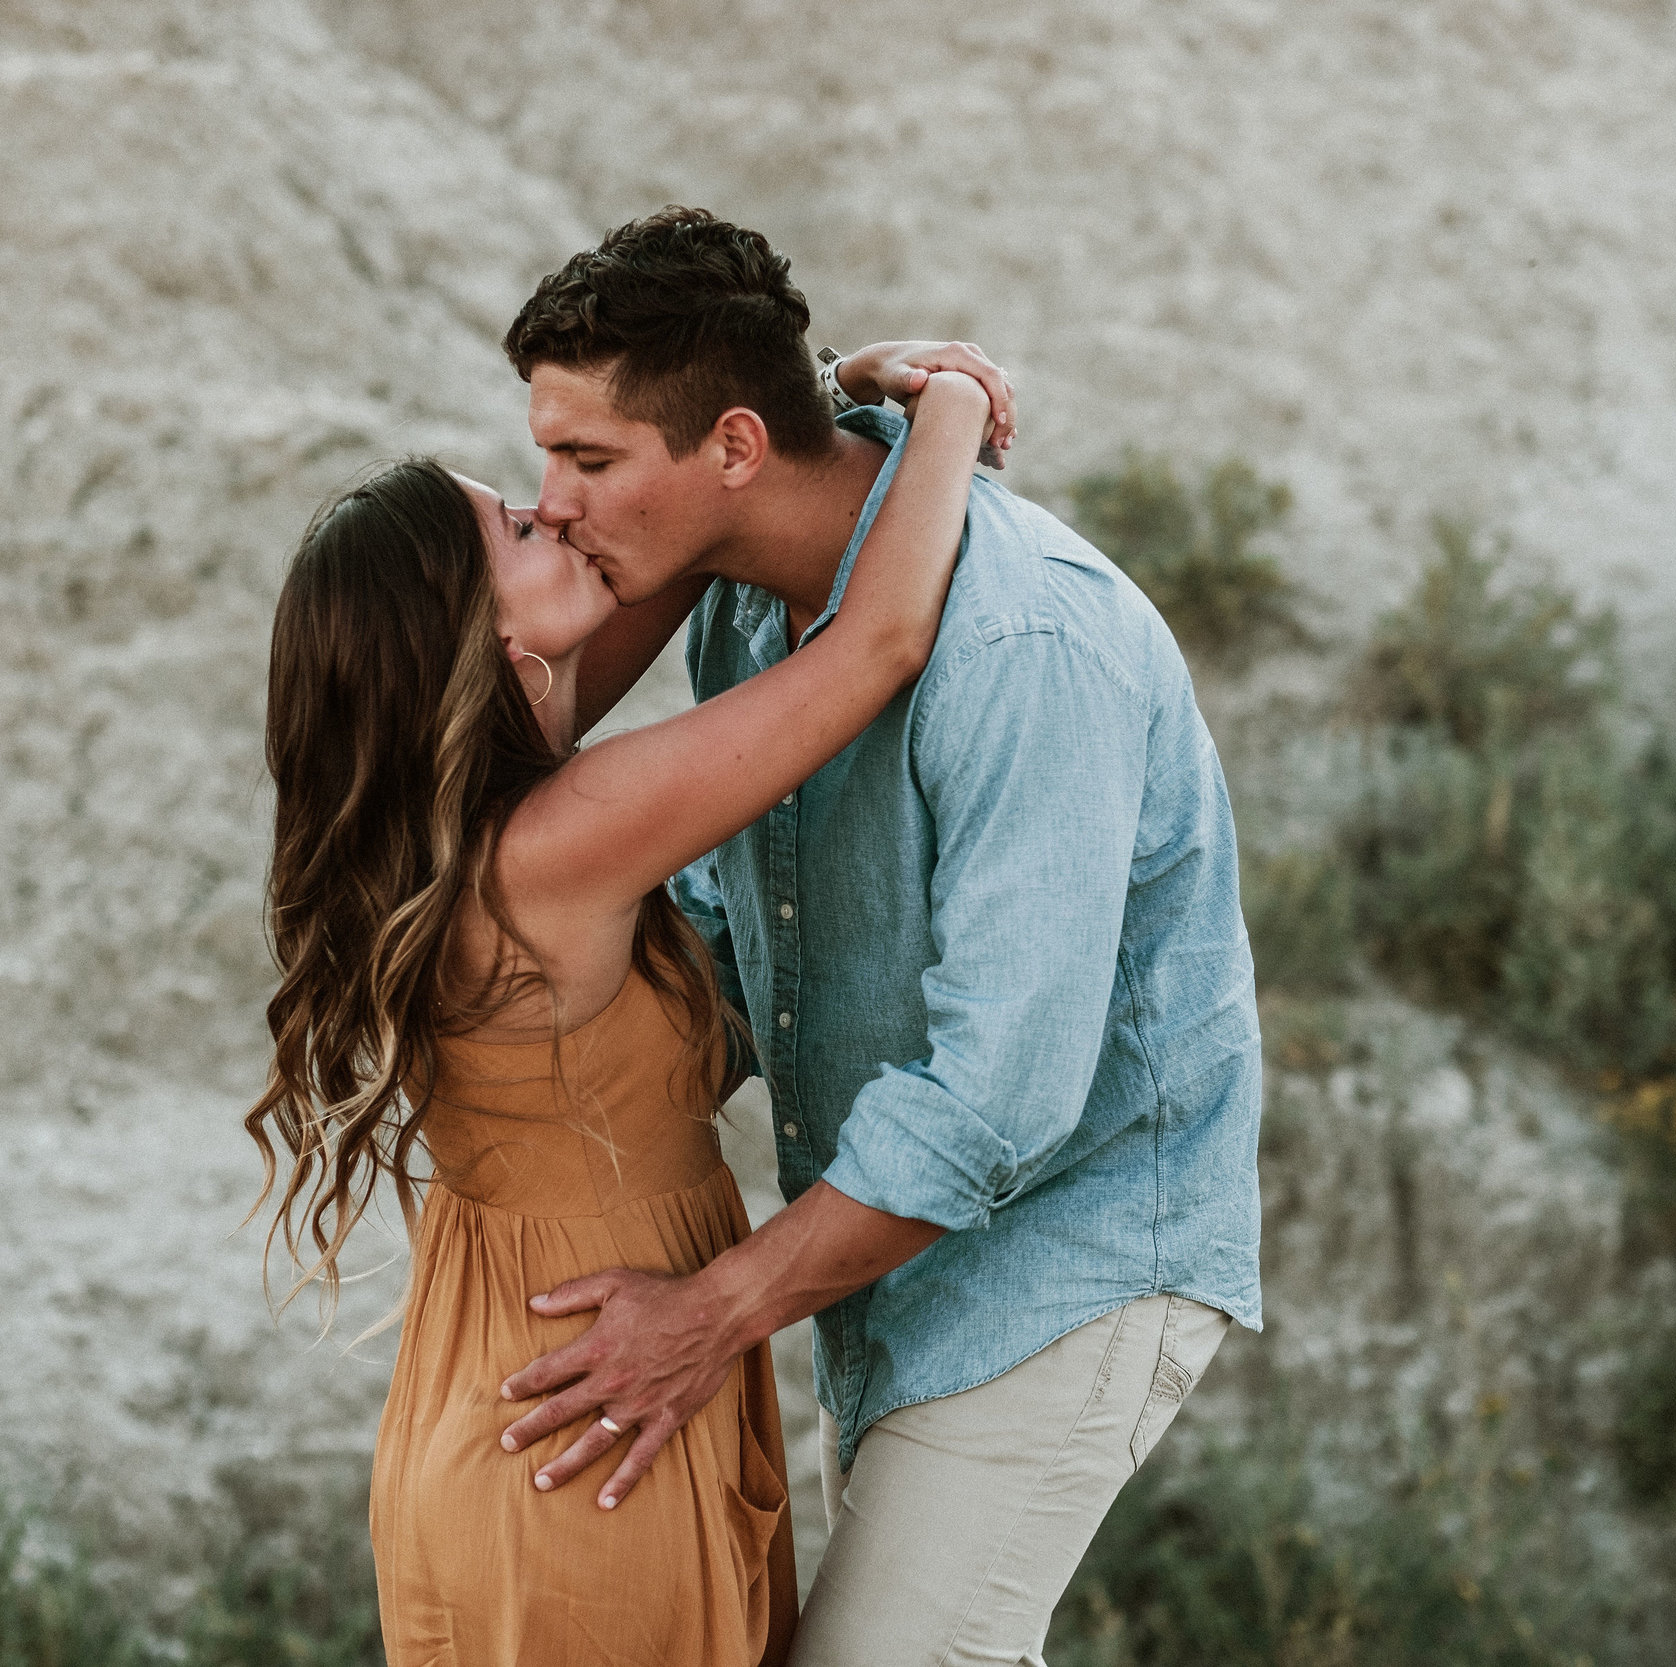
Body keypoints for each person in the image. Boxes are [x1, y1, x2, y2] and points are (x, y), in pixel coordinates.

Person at [492, 208, 1264, 1666]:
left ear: (730, 447)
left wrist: (711, 1313)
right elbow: (738, 914)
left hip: (1072, 1248)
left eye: (587, 460)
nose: (560, 502)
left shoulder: (1027, 645)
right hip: (897, 1251)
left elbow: (1003, 1101)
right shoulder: (745, 610)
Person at [246, 304, 1012, 1664]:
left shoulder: (472, 818)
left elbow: (676, 542)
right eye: (525, 533)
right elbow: (881, 640)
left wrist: (795, 408)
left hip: (527, 1404)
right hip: (585, 1446)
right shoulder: (558, 841)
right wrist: (946, 398)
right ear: (483, 645)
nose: (568, 519)